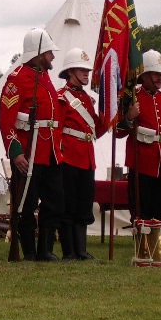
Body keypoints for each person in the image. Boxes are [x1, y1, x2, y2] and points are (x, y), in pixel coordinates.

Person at [0, 28, 63, 261]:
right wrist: (16, 153)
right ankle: (28, 250)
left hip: (50, 151)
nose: (53, 56)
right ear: (38, 53)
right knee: (26, 203)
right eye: (49, 52)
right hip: (29, 151)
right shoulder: (17, 79)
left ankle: (46, 249)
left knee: (52, 202)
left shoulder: (45, 77)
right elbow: (7, 120)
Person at [118, 50, 161, 222]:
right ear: (144, 75)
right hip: (142, 164)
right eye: (156, 74)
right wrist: (129, 117)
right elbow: (118, 132)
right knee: (143, 213)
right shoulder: (133, 97)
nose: (160, 78)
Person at [56, 48, 108, 260]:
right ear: (70, 72)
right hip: (69, 156)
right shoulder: (61, 97)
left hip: (87, 157)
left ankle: (81, 250)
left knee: (84, 204)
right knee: (68, 205)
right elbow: (57, 129)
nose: (87, 74)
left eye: (87, 70)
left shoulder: (86, 99)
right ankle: (69, 251)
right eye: (82, 70)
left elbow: (95, 130)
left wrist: (108, 117)